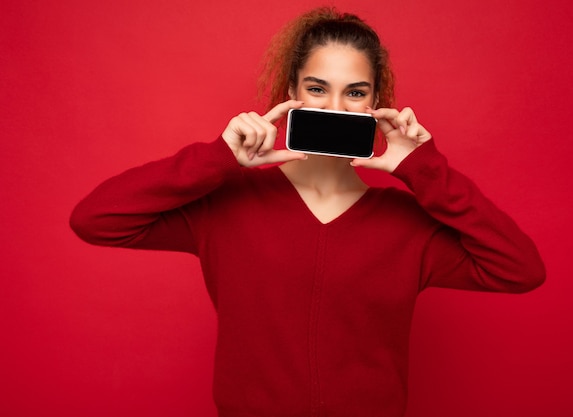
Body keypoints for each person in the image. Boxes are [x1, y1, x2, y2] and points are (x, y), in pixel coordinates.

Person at [70, 6, 545, 417]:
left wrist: (425, 170)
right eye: (317, 88)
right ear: (290, 92)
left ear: (376, 104)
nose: (335, 107)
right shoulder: (228, 204)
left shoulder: (406, 222)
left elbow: (519, 269)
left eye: (355, 93)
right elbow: (96, 219)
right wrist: (218, 158)